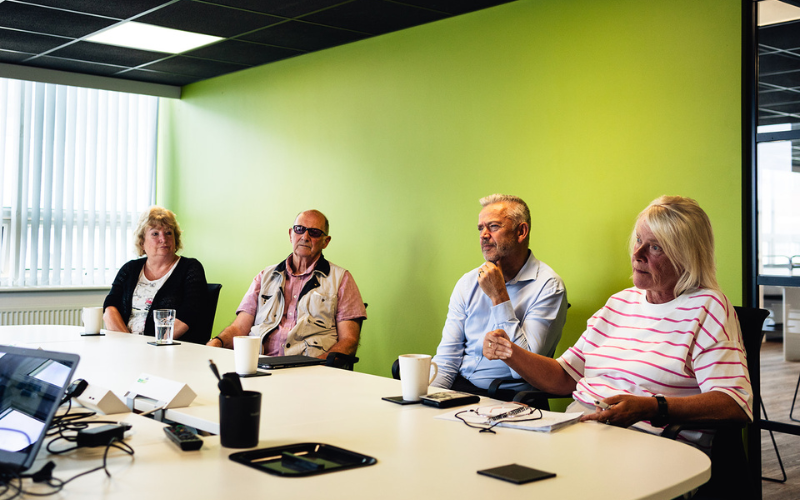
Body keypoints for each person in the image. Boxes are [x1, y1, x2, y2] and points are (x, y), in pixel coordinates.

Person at [483, 195, 752, 451]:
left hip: (650, 445)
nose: (637, 254)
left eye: (655, 247)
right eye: (638, 240)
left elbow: (734, 403)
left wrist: (653, 407)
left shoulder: (707, 307)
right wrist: (511, 352)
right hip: (578, 434)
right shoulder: (619, 303)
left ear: (686, 256)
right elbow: (565, 377)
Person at [431, 194, 568, 396]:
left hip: (507, 398)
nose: (483, 235)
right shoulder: (468, 282)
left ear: (521, 232)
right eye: (480, 228)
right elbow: (446, 359)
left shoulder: (549, 286)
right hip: (459, 390)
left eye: (493, 226)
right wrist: (429, 399)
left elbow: (527, 369)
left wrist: (499, 297)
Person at [208, 209, 366, 359]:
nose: (305, 236)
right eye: (299, 229)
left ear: (326, 241)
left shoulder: (341, 279)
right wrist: (217, 342)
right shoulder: (264, 276)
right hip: (258, 365)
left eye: (314, 232)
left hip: (307, 372)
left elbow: (349, 341)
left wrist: (318, 367)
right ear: (291, 234)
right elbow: (239, 328)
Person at [104, 207, 208, 342]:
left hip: (168, 349)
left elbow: (189, 316)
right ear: (142, 242)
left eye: (169, 233)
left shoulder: (190, 268)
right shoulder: (130, 269)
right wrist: (128, 342)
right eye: (155, 234)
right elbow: (110, 309)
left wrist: (151, 345)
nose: (163, 239)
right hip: (126, 347)